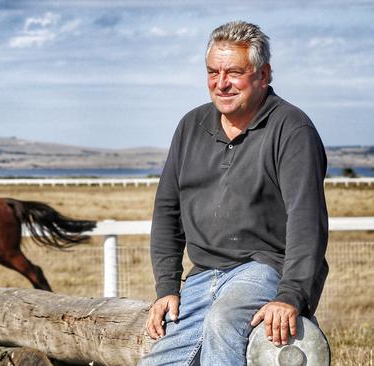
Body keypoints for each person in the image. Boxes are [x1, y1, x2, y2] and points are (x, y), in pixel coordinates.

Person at [139, 21, 329, 365]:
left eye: (234, 72)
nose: (221, 83)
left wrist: (291, 295)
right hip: (203, 273)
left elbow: (306, 220)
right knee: (159, 358)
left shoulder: (292, 129)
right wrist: (167, 287)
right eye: (213, 72)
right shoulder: (190, 126)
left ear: (263, 74)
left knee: (223, 322)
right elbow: (167, 210)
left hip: (266, 266)